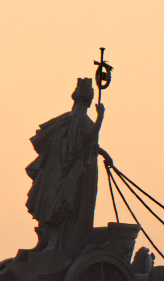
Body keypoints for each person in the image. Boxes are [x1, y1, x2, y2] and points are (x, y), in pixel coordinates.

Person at [25, 78, 112, 252]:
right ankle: (67, 246)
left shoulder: (63, 121)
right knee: (74, 212)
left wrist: (104, 153)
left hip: (59, 176)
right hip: (77, 176)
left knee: (61, 211)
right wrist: (100, 117)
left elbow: (84, 143)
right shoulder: (81, 120)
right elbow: (87, 138)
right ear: (88, 98)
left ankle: (54, 242)